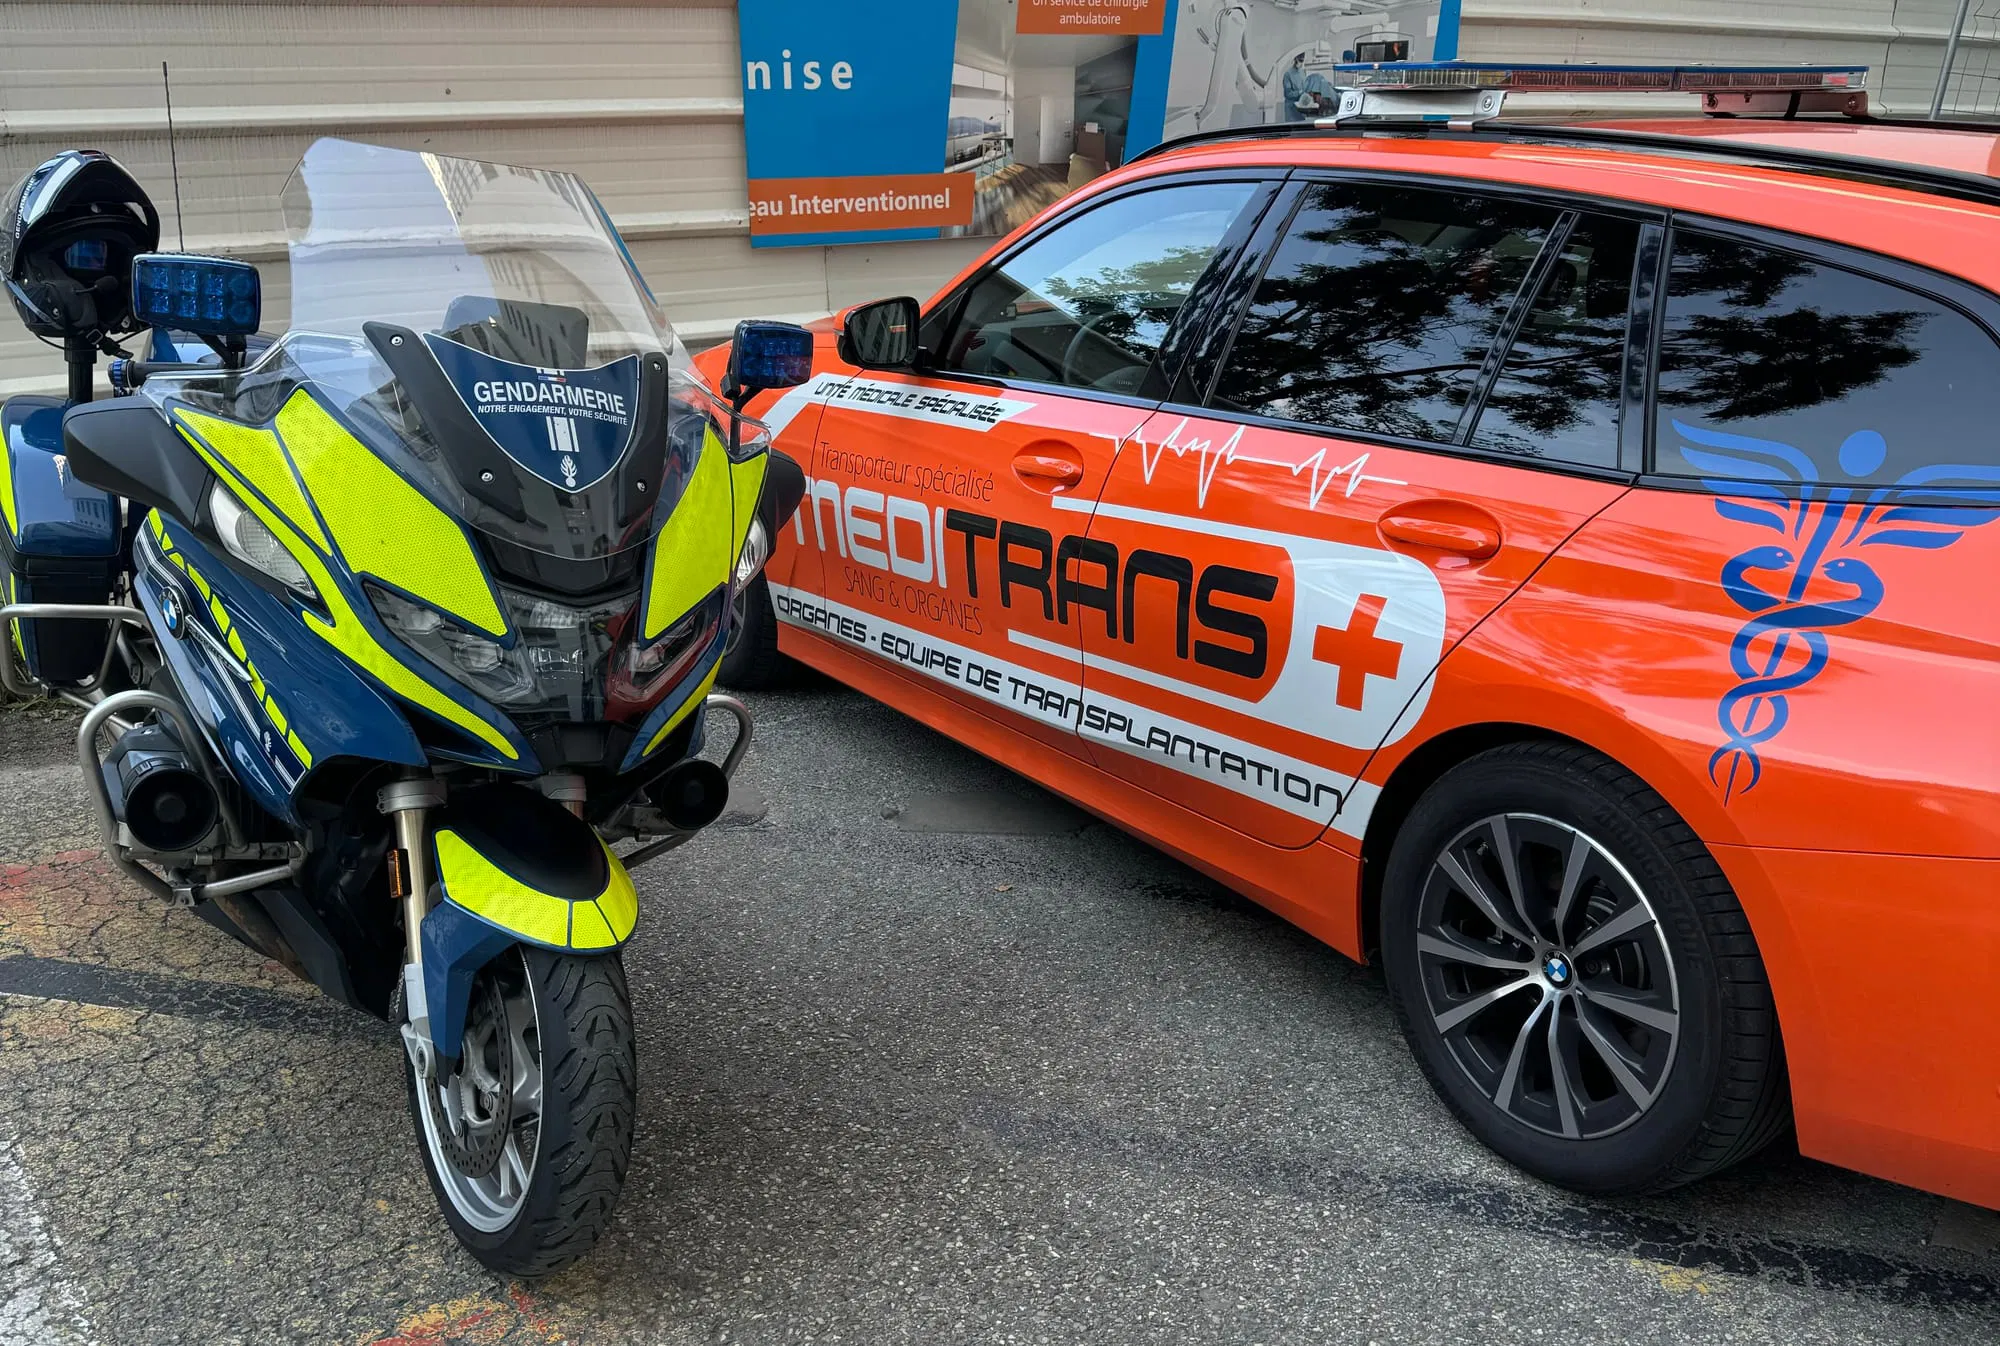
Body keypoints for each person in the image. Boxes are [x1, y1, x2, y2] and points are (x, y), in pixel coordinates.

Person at [1282, 52, 1333, 122]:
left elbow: (1305, 87)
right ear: (1295, 59)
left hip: (1302, 109)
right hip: (1291, 110)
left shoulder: (1302, 72)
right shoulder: (1288, 74)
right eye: (1300, 60)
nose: (1301, 62)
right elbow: (1288, 94)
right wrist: (1300, 92)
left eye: (1302, 60)